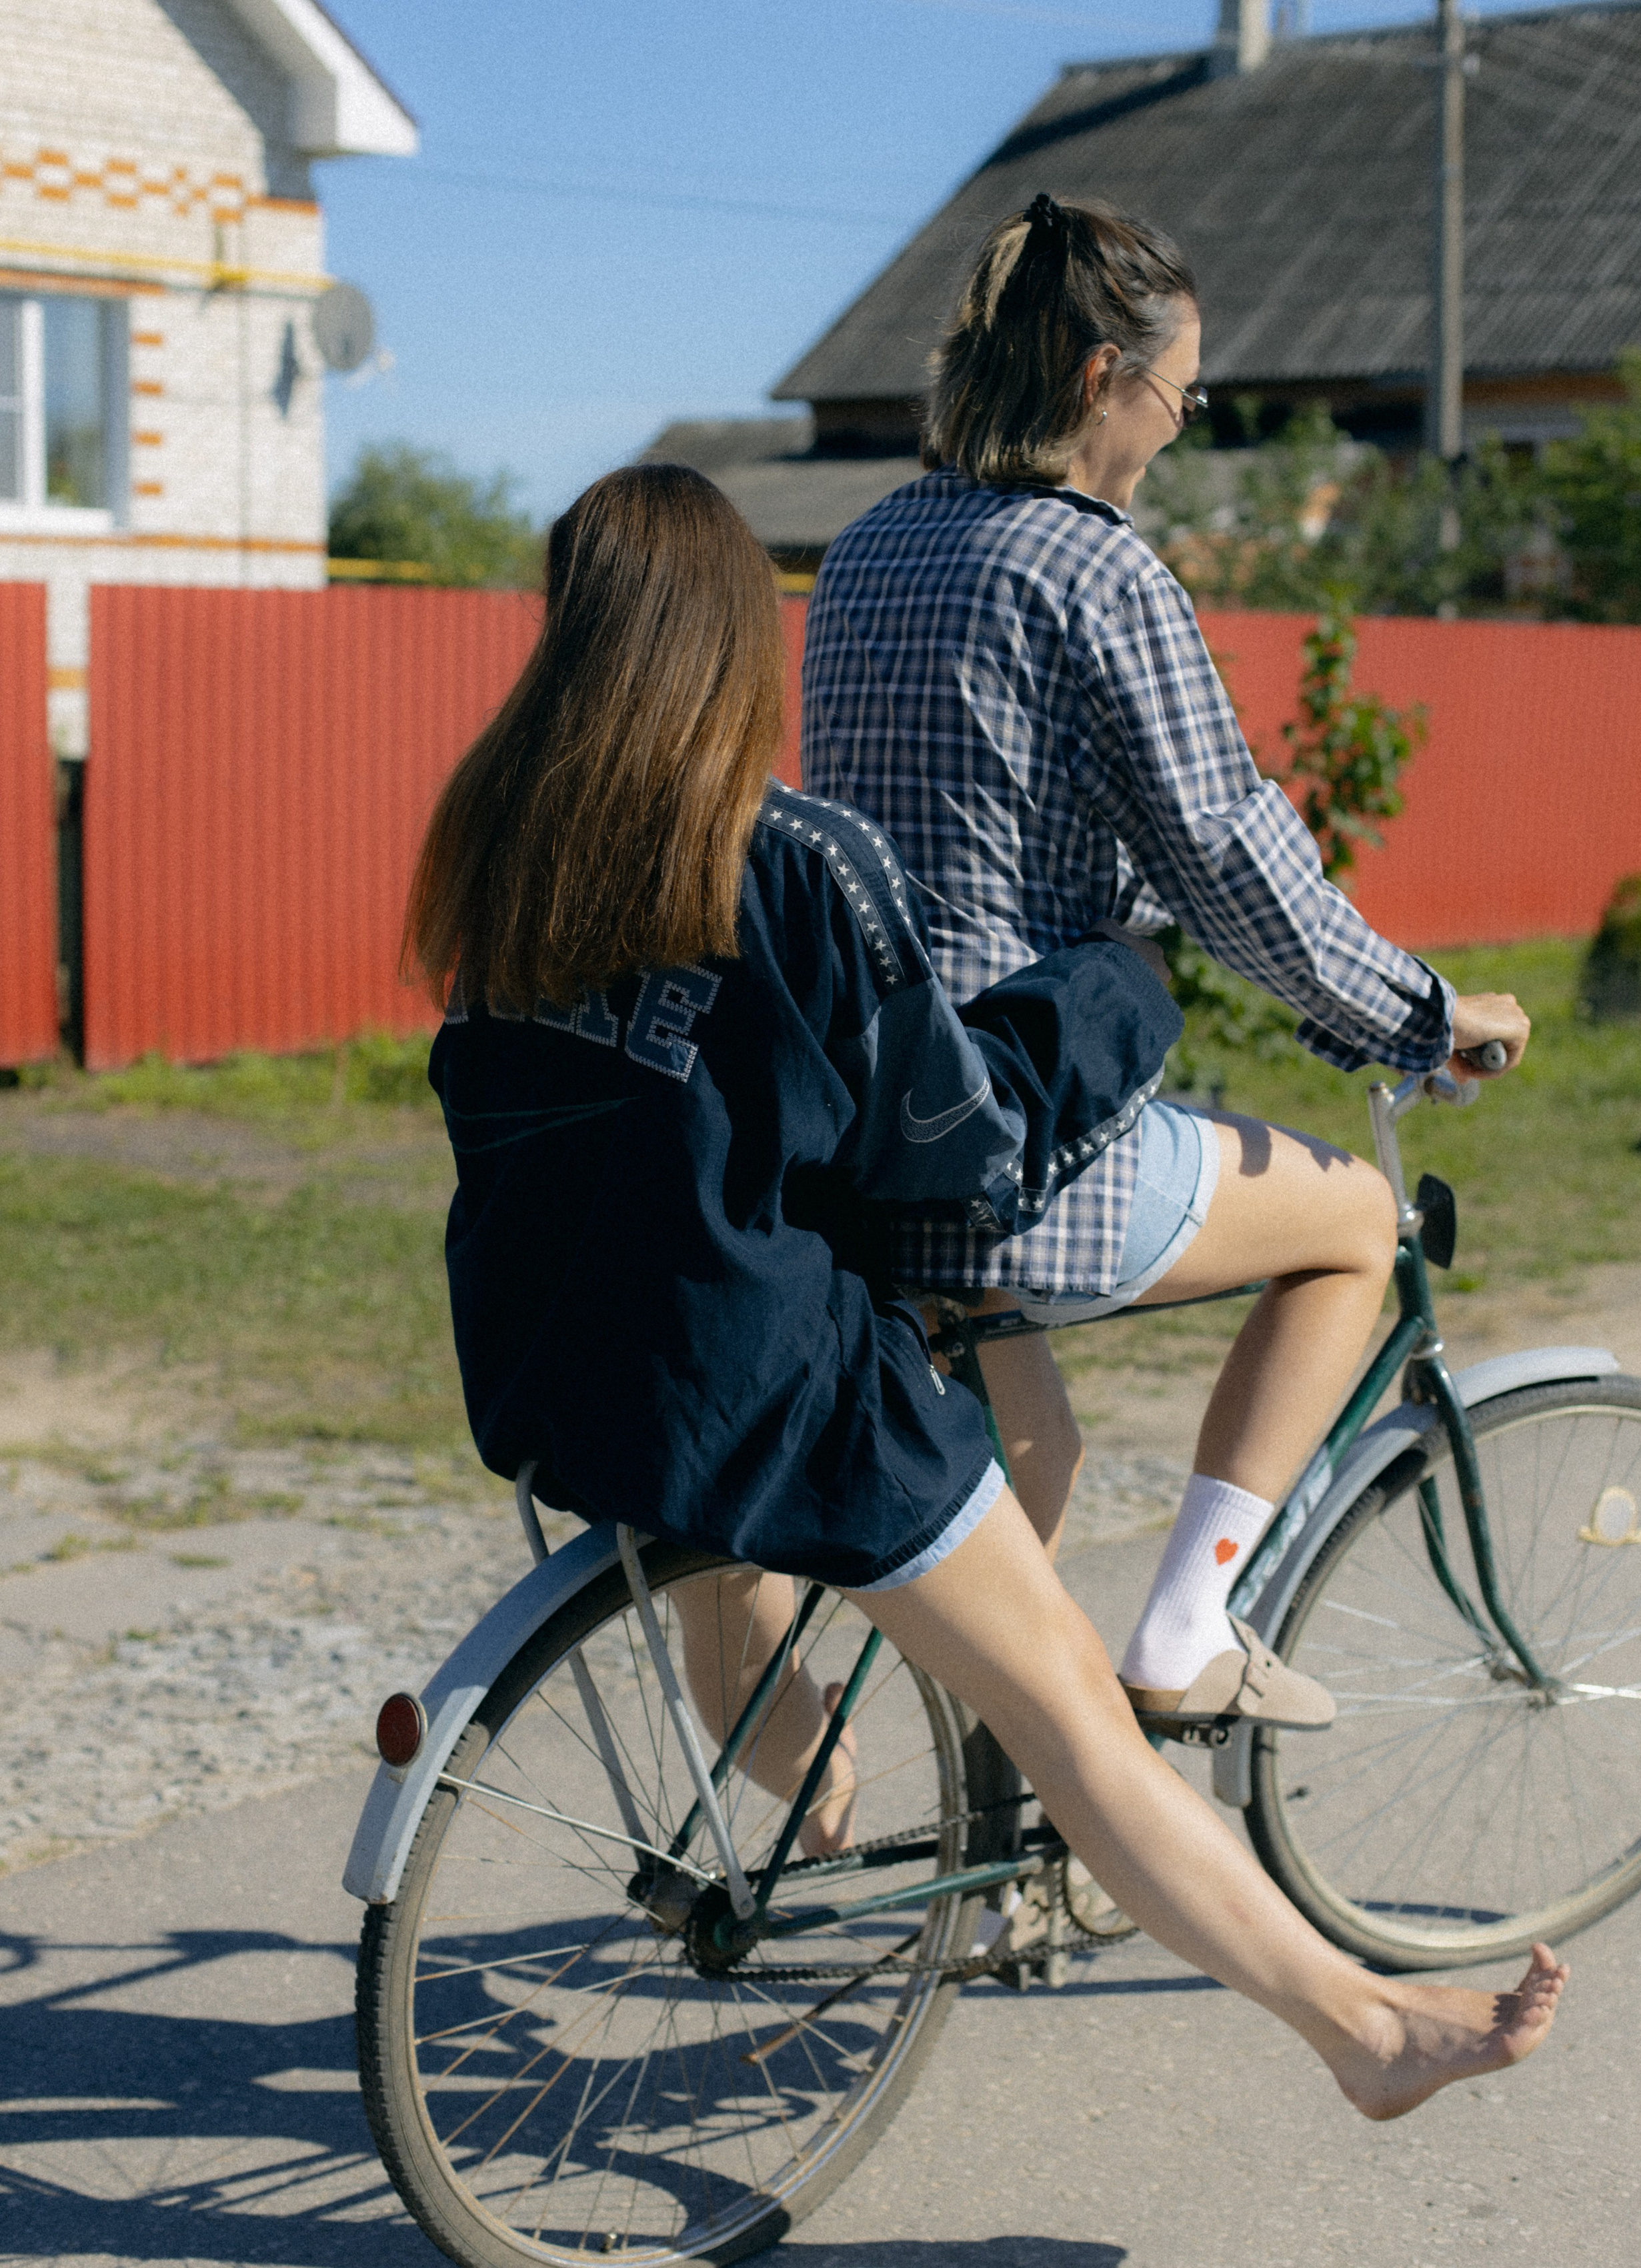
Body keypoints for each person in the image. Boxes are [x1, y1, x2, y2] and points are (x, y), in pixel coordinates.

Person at [405, 457, 1564, 2125]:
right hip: (776, 1392)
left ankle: (816, 1827)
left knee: (748, 1613)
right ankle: (1366, 2038)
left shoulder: (496, 853)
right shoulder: (803, 861)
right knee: (1080, 1724)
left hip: (560, 1372)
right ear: (741, 641)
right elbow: (957, 1154)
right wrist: (1105, 996)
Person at [800, 191, 1534, 1733]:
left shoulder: (865, 549)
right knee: (1352, 1224)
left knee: (1039, 1461)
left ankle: (1001, 1832)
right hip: (1016, 1141)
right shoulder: (1092, 569)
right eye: (1176, 396)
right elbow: (1231, 856)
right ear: (1097, 383)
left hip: (866, 1125)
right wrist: (1416, 1016)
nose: (1177, 429)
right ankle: (1186, 1639)